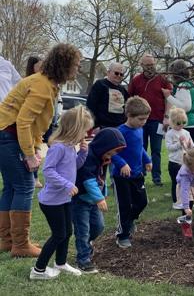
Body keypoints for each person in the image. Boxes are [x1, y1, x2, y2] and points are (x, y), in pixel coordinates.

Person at [0, 43, 81, 257]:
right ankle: (20, 245)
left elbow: (35, 123)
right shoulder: (41, 86)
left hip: (7, 135)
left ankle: (8, 241)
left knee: (11, 187)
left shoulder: (45, 84)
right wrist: (28, 155)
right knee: (25, 186)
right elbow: (24, 122)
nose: (77, 69)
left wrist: (35, 147)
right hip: (9, 136)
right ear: (64, 65)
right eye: (76, 65)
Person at [29, 106, 93, 280]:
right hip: (51, 201)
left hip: (63, 198)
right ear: (74, 129)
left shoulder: (71, 147)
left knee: (67, 231)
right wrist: (66, 184)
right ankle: (38, 270)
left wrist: (83, 153)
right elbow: (48, 171)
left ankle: (60, 263)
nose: (85, 135)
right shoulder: (58, 147)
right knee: (58, 234)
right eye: (84, 131)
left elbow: (75, 166)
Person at [72, 128, 126, 273]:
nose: (112, 156)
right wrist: (99, 198)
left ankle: (85, 245)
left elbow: (101, 177)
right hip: (80, 199)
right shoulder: (89, 156)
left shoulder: (103, 157)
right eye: (111, 152)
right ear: (102, 146)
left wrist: (103, 193)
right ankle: (83, 260)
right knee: (82, 231)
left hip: (93, 200)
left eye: (114, 153)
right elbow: (88, 180)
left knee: (98, 227)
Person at [111, 97, 152, 249]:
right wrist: (122, 164)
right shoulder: (120, 132)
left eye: (146, 119)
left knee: (142, 202)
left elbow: (139, 147)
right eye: (141, 119)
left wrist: (147, 160)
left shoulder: (139, 130)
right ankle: (122, 235)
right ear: (129, 115)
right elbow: (112, 152)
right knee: (124, 206)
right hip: (121, 177)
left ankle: (129, 222)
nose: (144, 122)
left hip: (137, 174)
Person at [128, 54, 173, 186]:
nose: (150, 68)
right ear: (141, 65)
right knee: (139, 147)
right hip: (139, 121)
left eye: (152, 65)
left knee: (156, 150)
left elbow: (169, 98)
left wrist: (166, 117)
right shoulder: (136, 80)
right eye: (147, 65)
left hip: (157, 120)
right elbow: (130, 99)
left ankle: (156, 177)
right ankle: (140, 174)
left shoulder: (163, 79)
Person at [162, 59, 194, 146]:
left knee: (189, 155)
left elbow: (186, 107)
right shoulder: (189, 84)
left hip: (190, 124)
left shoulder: (182, 86)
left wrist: (168, 96)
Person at [165, 107, 194, 209]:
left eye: (183, 122)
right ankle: (176, 201)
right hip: (174, 162)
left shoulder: (186, 133)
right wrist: (179, 143)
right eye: (178, 123)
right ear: (172, 122)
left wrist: (189, 143)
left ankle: (185, 200)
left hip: (185, 162)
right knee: (176, 182)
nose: (181, 125)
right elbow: (169, 148)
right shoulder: (170, 134)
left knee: (185, 182)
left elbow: (191, 146)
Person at [86, 62, 129, 129]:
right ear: (108, 72)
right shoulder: (100, 84)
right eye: (116, 73)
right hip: (103, 126)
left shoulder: (122, 89)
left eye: (121, 74)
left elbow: (128, 106)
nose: (119, 76)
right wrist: (95, 125)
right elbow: (91, 105)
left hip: (120, 126)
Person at [25, 56, 45, 189]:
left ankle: (35, 177)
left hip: (38, 125)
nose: (42, 68)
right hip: (28, 125)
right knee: (30, 151)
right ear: (33, 66)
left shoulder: (42, 83)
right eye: (40, 65)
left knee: (37, 150)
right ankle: (31, 178)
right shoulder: (27, 83)